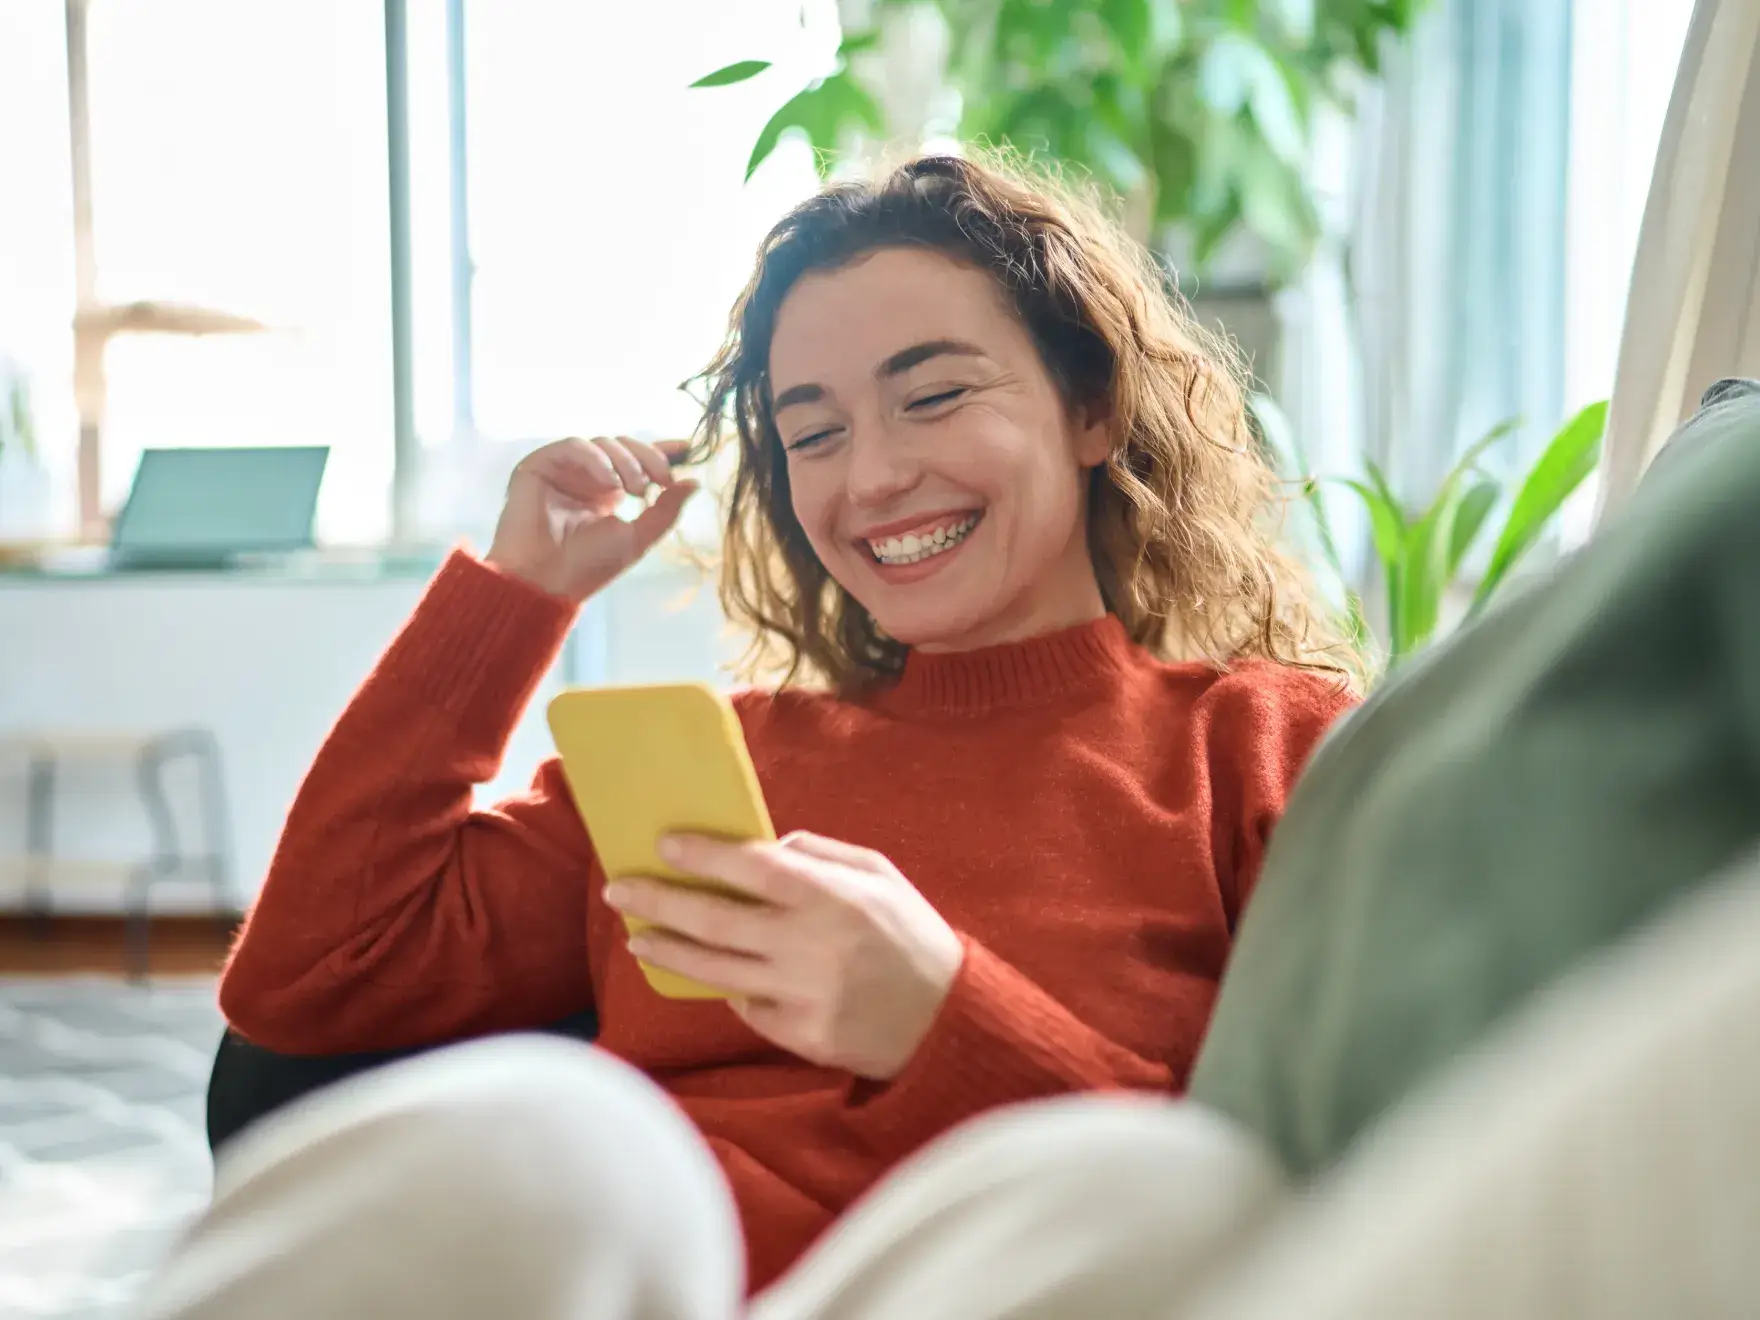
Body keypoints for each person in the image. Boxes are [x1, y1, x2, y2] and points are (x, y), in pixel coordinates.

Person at [158, 153, 1357, 1315]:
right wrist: (513, 597)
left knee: (1171, 1182)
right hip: (661, 1282)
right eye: (812, 433)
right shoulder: (711, 770)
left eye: (932, 395)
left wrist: (943, 1022)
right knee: (561, 1131)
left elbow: (1297, 1199)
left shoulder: (1264, 748)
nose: (873, 476)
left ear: (1090, 408)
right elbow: (305, 985)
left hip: (1000, 1282)